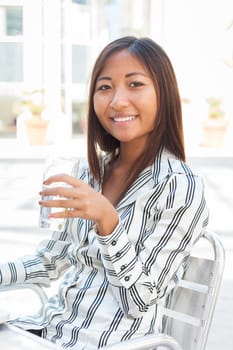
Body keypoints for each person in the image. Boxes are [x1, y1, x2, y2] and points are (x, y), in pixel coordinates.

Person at [0, 36, 209, 349]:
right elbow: (50, 261)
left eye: (135, 84)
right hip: (49, 332)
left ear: (163, 94)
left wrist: (107, 220)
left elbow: (139, 301)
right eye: (105, 87)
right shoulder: (90, 172)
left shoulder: (179, 186)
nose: (117, 101)